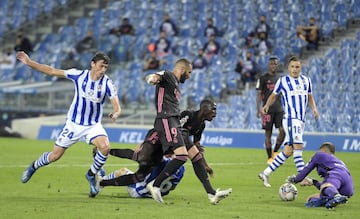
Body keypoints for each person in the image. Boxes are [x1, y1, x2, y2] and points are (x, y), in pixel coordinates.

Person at [16, 51, 122, 198]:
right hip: (73, 124)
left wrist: (116, 113)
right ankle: (33, 167)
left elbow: (116, 105)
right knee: (55, 156)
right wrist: (29, 62)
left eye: (105, 67)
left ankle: (91, 175)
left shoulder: (107, 83)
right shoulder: (78, 75)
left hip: (92, 125)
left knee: (104, 147)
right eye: (101, 66)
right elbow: (52, 71)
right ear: (92, 64)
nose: (103, 70)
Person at [98, 98, 232, 204]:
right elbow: (169, 127)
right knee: (137, 162)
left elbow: (197, 147)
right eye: (213, 110)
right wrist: (148, 142)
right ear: (205, 108)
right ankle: (107, 156)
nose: (215, 113)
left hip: (171, 145)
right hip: (159, 142)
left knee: (192, 155)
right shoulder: (188, 115)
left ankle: (211, 193)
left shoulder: (201, 126)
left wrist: (206, 165)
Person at [258, 55, 319, 187]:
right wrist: (267, 105)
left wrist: (314, 108)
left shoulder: (306, 81)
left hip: (301, 120)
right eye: (292, 67)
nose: (295, 69)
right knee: (299, 147)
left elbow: (310, 96)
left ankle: (265, 173)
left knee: (288, 151)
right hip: (291, 119)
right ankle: (302, 177)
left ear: (300, 67)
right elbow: (273, 95)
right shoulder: (283, 81)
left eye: (297, 67)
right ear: (288, 68)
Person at [287, 142, 353, 209]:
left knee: (311, 199)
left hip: (335, 174)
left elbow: (307, 169)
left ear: (323, 150)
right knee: (319, 194)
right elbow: (327, 187)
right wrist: (314, 182)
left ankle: (335, 196)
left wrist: (295, 179)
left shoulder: (319, 155)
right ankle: (333, 198)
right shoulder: (338, 161)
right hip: (348, 186)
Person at [255, 56, 285, 164]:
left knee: (282, 131)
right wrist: (258, 109)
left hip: (279, 109)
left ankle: (276, 151)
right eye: (272, 64)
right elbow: (259, 95)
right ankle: (269, 157)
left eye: (275, 64)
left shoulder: (281, 79)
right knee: (268, 133)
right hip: (267, 110)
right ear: (269, 65)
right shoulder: (263, 78)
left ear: (277, 65)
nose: (273, 66)